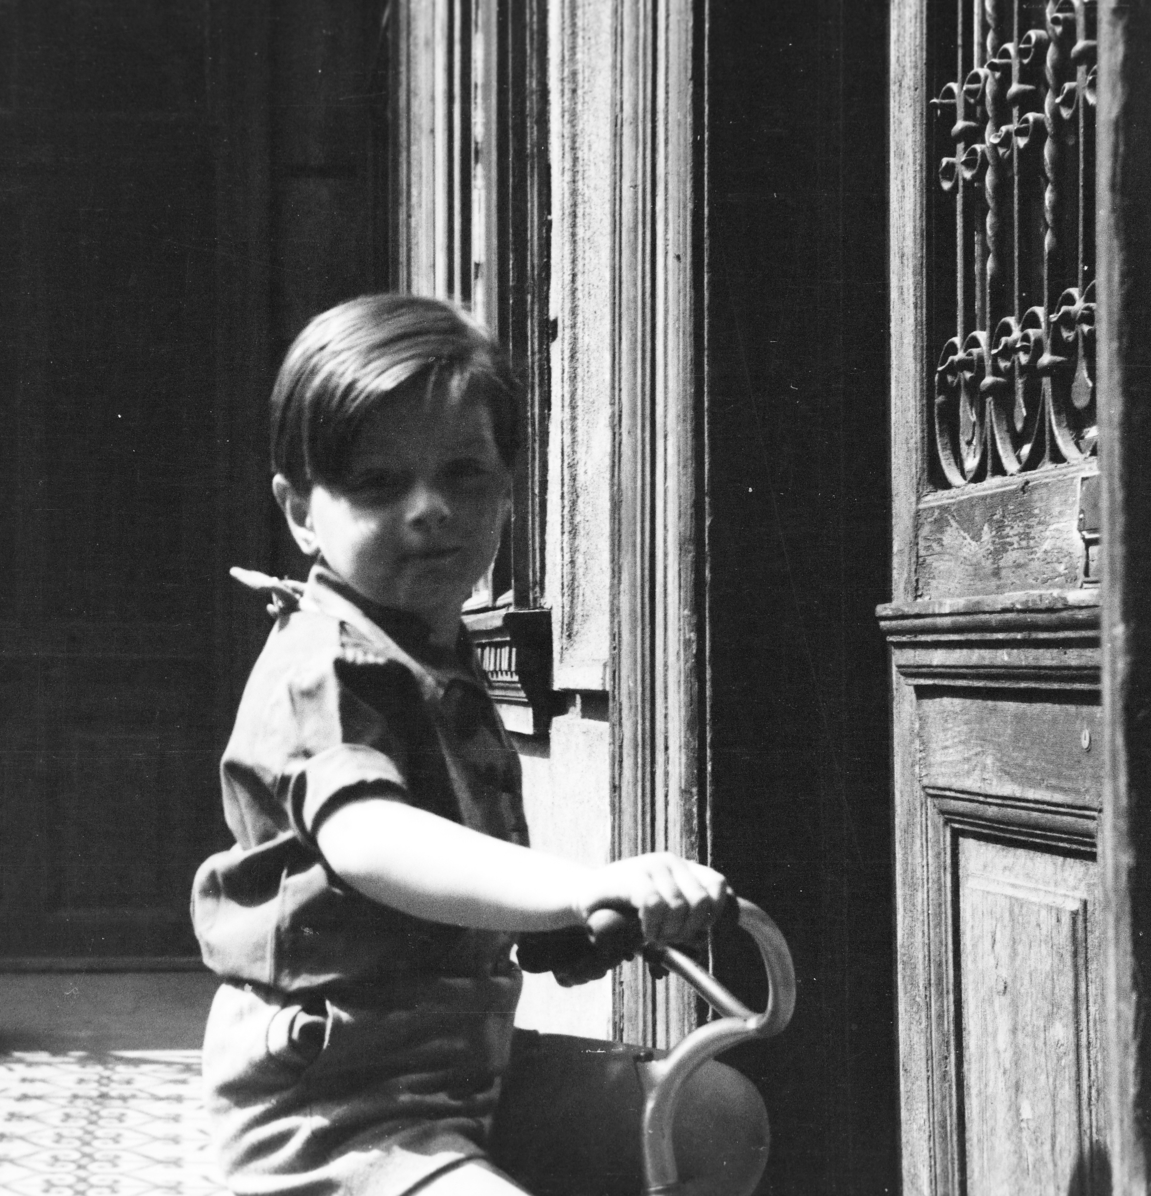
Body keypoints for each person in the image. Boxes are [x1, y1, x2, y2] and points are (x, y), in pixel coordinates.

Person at [191, 294, 769, 1196]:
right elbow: (371, 841)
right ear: (302, 511)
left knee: (712, 1115)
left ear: (508, 491)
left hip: (462, 1072)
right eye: (378, 485)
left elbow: (466, 881)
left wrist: (566, 930)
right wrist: (584, 887)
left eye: (464, 475)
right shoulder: (325, 666)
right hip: (330, 1109)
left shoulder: (436, 653)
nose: (430, 510)